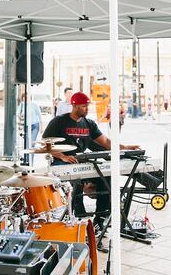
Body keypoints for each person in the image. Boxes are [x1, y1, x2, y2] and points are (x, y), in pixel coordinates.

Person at [42, 92, 140, 231]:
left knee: (106, 177)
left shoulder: (89, 124)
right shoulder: (58, 121)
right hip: (61, 162)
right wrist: (62, 156)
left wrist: (125, 147)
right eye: (84, 106)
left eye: (88, 106)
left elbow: (105, 141)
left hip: (81, 160)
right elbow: (45, 143)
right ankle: (78, 220)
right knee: (75, 185)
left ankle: (100, 218)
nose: (87, 109)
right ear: (75, 106)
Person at [18, 93, 42, 164]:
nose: (25, 99)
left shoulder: (34, 104)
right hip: (26, 126)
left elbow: (39, 115)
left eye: (27, 97)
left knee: (32, 144)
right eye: (24, 97)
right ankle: (26, 160)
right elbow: (18, 114)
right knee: (26, 144)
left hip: (35, 125)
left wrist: (41, 127)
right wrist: (20, 115)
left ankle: (31, 162)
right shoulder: (22, 105)